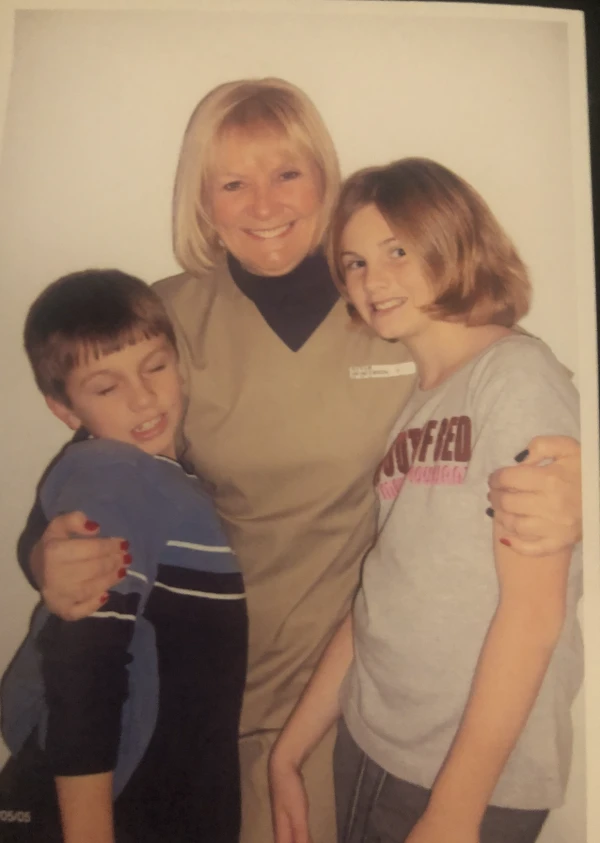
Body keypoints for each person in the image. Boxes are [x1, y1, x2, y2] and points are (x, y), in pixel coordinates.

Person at [15, 80, 583, 843]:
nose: (263, 204)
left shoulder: (393, 310)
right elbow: (97, 458)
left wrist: (584, 484)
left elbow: (507, 402)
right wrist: (42, 550)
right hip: (219, 671)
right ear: (203, 200)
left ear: (327, 177)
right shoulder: (173, 314)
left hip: (362, 688)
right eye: (233, 182)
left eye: (287, 173)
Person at [269, 158, 583, 843]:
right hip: (372, 745)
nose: (370, 280)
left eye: (397, 251)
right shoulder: (417, 404)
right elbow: (380, 590)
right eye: (353, 262)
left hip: (466, 781)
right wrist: (290, 749)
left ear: (454, 240)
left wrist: (454, 811)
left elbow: (533, 615)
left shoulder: (516, 376)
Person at [1, 270, 247, 843]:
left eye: (155, 367)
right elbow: (85, 668)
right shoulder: (113, 479)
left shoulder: (154, 479)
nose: (143, 397)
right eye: (106, 388)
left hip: (161, 795)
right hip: (124, 809)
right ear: (64, 410)